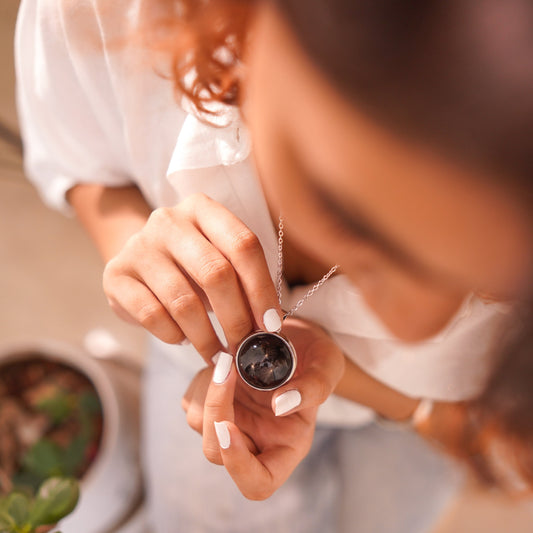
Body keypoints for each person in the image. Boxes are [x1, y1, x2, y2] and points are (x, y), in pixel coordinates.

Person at [15, 0, 533, 531]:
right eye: (348, 213)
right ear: (244, 25)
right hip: (209, 370)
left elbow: (498, 437)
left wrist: (422, 413)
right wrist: (133, 250)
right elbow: (77, 151)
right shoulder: (110, 13)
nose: (409, 328)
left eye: (484, 284)